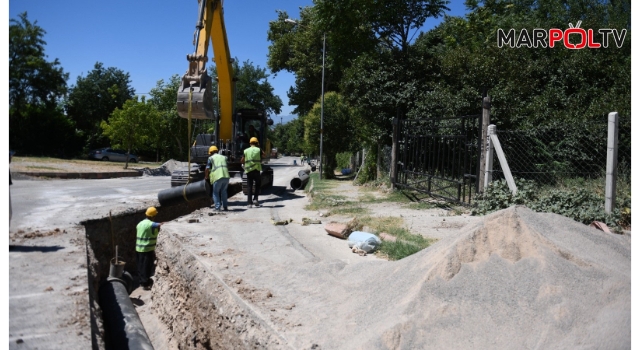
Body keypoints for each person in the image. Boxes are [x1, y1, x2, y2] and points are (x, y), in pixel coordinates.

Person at [136, 207, 164, 290]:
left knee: (140, 266)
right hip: (147, 249)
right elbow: (159, 224)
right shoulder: (150, 224)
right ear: (153, 216)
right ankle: (145, 283)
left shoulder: (140, 223)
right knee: (146, 267)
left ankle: (142, 282)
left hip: (138, 248)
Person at [241, 137, 265, 208]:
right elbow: (264, 155)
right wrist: (259, 148)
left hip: (249, 170)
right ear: (257, 143)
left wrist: (244, 164)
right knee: (258, 185)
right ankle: (255, 199)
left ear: (250, 143)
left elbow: (242, 160)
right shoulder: (258, 149)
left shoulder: (246, 150)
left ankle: (249, 203)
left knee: (249, 186)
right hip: (256, 170)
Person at [204, 146, 230, 211]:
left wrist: (206, 176)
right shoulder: (224, 157)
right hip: (226, 176)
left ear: (211, 152)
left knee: (215, 192)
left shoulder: (211, 158)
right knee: (224, 191)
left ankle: (217, 207)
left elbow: (207, 168)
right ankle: (225, 206)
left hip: (218, 177)